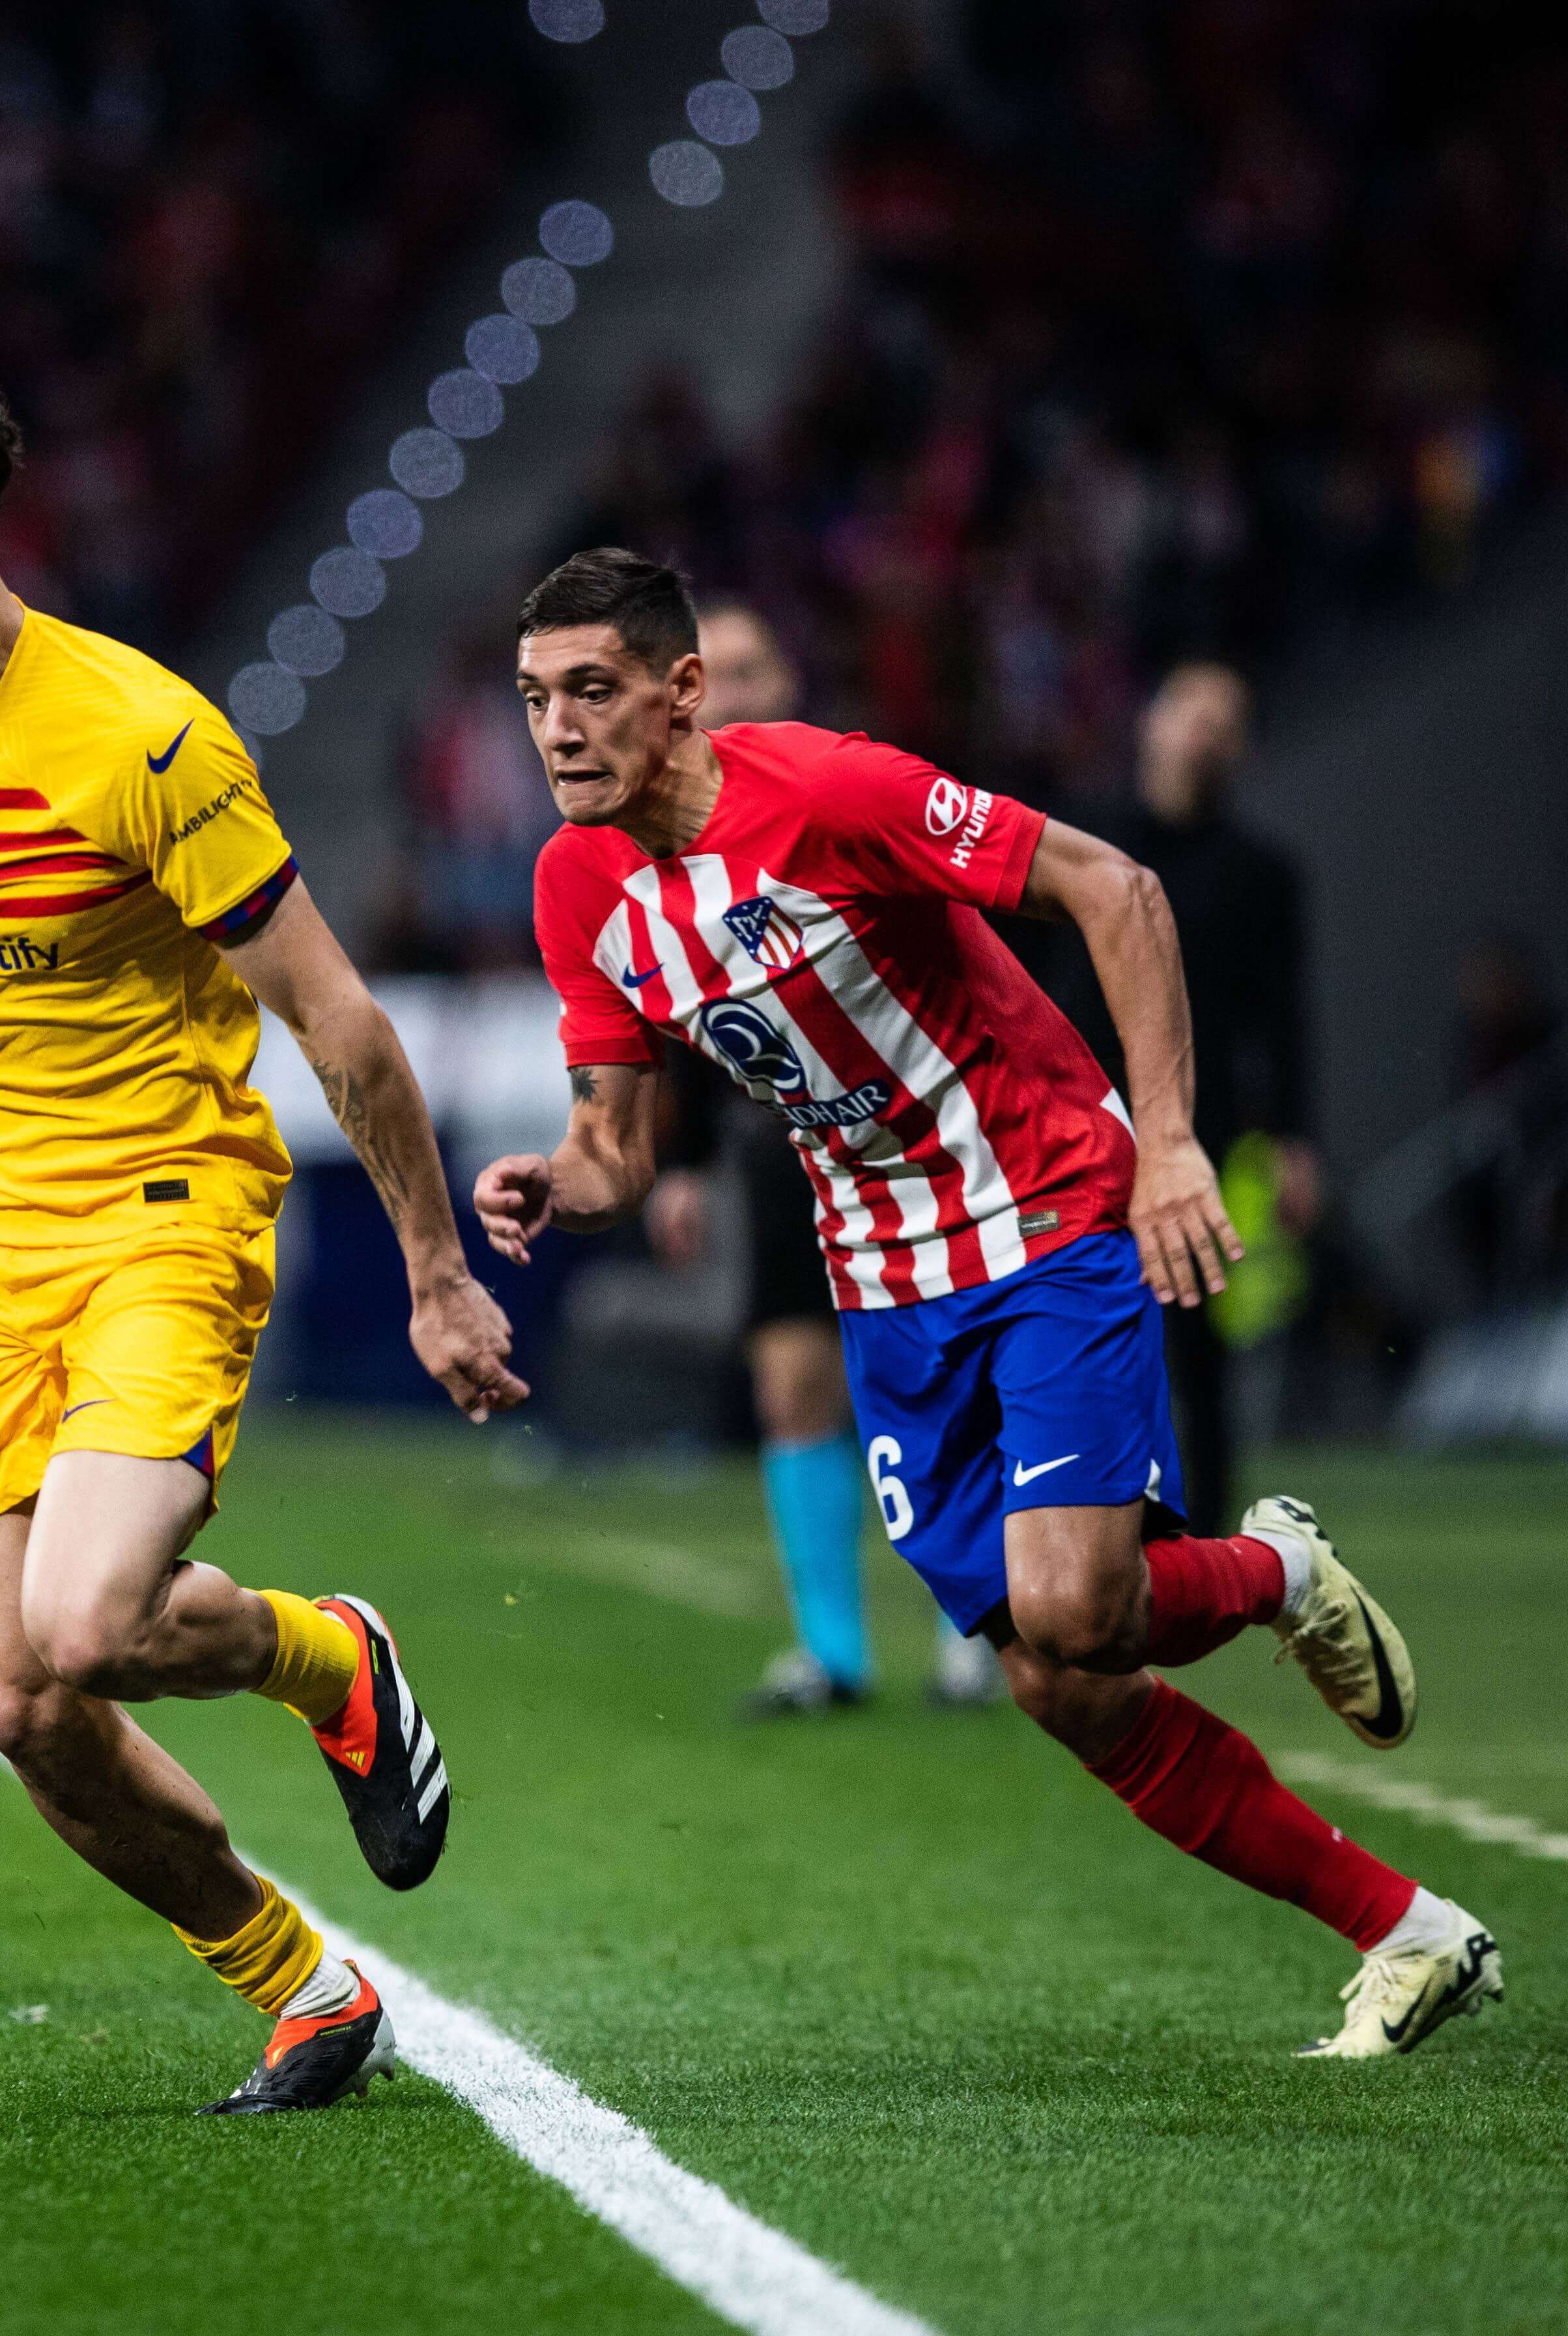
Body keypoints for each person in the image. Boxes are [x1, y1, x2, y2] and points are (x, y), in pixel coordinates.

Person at [474, 549, 1500, 2058]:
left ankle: (1275, 1570)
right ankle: (1409, 1931)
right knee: (1059, 1682)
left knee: (1077, 1601)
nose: (555, 729)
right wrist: (557, 1181)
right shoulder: (580, 887)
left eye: (590, 691)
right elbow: (617, 1149)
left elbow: (1115, 886)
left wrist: (1165, 1144)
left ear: (682, 693)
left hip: (1045, 1211)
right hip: (886, 1288)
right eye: (531, 699)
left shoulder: (827, 794)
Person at [0, 334, 527, 2114]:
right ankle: (303, 1985)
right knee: (23, 1706)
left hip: (161, 1216)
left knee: (84, 1628)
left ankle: (329, 1654)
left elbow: (338, 1021)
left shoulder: (142, 738)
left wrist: (436, 1273)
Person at [635, 602, 999, 1715]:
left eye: (750, 666)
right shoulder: (676, 840)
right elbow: (687, 1018)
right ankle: (831, 1653)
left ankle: (970, 1630)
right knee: (792, 1385)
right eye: (716, 672)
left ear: (788, 676)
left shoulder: (844, 798)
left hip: (902, 1147)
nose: (733, 691)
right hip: (773, 1148)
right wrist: (684, 1163)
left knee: (936, 1377)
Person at [1070, 663, 1317, 1525]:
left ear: (1242, 748)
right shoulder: (1081, 840)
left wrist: (1293, 1139)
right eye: (1192, 713)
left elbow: (1281, 1017)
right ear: (1150, 721)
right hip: (1068, 1126)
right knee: (1064, 1330)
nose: (1205, 734)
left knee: (1194, 1345)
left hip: (1189, 1133)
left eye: (1226, 720)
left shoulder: (1260, 874)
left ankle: (1199, 1538)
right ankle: (1068, 1523)